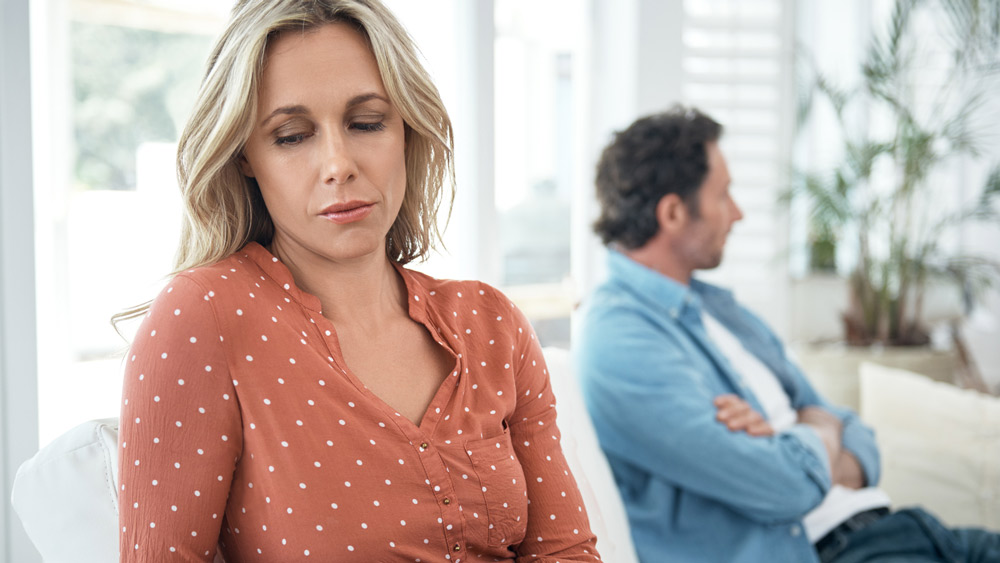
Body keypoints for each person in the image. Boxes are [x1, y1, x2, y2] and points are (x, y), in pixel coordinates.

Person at [116, 1, 602, 561]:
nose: (338, 163)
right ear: (245, 154)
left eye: (367, 123)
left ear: (406, 130)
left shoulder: (491, 324)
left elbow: (565, 550)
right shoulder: (206, 314)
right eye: (292, 135)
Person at [575, 106, 1000, 563]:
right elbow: (786, 486)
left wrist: (801, 435)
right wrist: (814, 430)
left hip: (900, 527)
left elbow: (849, 425)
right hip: (834, 552)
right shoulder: (620, 340)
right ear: (674, 212)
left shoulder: (722, 311)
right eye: (723, 195)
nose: (736, 214)